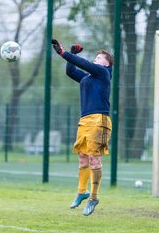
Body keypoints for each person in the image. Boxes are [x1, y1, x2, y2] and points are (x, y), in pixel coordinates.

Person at [51, 39, 113, 216]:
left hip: (99, 120)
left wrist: (64, 53)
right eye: (96, 56)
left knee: (94, 159)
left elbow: (84, 64)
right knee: (82, 157)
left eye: (99, 57)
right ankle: (81, 192)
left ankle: (93, 197)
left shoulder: (103, 73)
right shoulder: (88, 78)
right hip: (85, 120)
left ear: (107, 63)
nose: (96, 59)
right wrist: (72, 55)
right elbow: (71, 71)